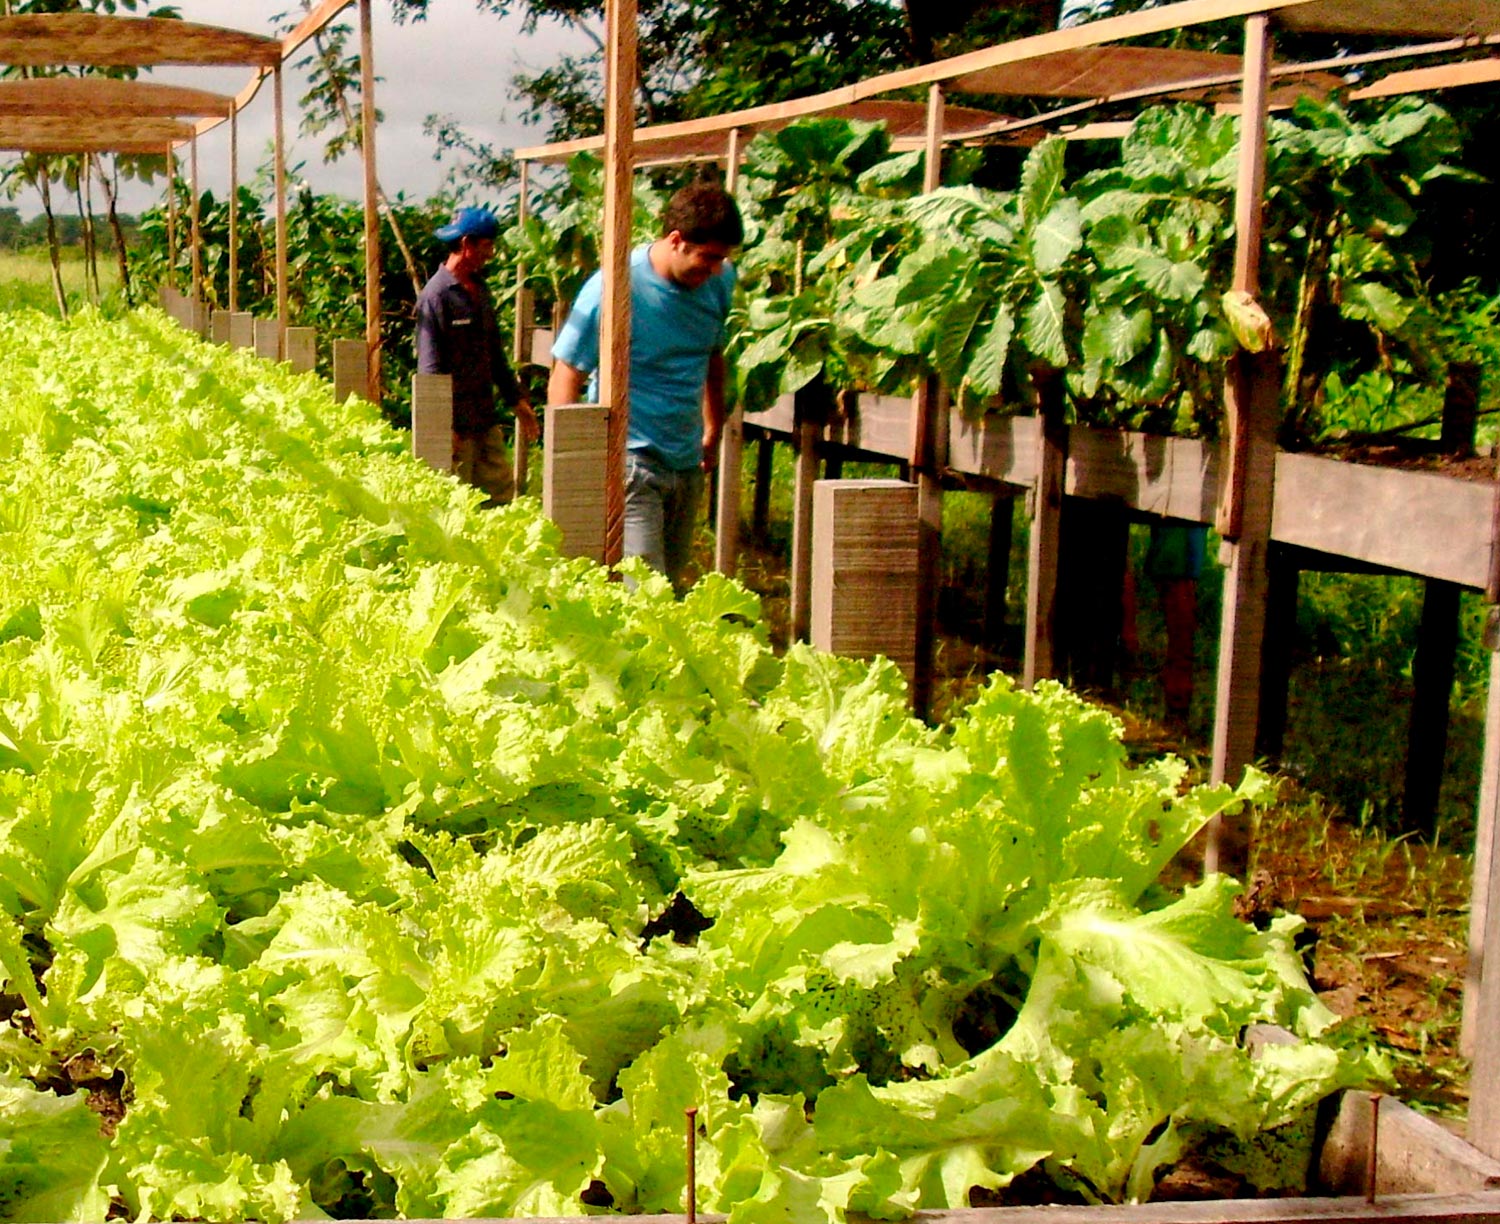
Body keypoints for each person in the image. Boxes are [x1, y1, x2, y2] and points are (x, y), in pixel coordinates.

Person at [547, 183, 743, 590]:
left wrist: (713, 425)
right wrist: (572, 467)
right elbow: (567, 372)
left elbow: (712, 354)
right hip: (630, 461)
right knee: (644, 592)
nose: (715, 270)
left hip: (685, 461)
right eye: (708, 258)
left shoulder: (720, 281)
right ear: (676, 241)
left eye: (722, 260)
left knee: (667, 587)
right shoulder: (615, 286)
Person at [416, 206, 539, 505]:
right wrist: (444, 428)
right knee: (460, 504)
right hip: (457, 428)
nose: (492, 253)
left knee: (500, 498)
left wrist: (517, 401)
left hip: (485, 419)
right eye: (487, 245)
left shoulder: (480, 289)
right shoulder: (436, 296)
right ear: (467, 243)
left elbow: (494, 353)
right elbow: (430, 369)